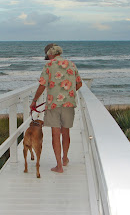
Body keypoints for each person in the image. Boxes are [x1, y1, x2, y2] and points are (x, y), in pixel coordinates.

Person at [30, 43, 82, 173]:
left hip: (53, 104)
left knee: (55, 134)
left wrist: (34, 101)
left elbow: (42, 86)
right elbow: (79, 83)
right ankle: (65, 158)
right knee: (66, 132)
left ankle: (59, 166)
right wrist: (68, 92)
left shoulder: (48, 65)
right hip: (68, 103)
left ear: (49, 54)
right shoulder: (71, 64)